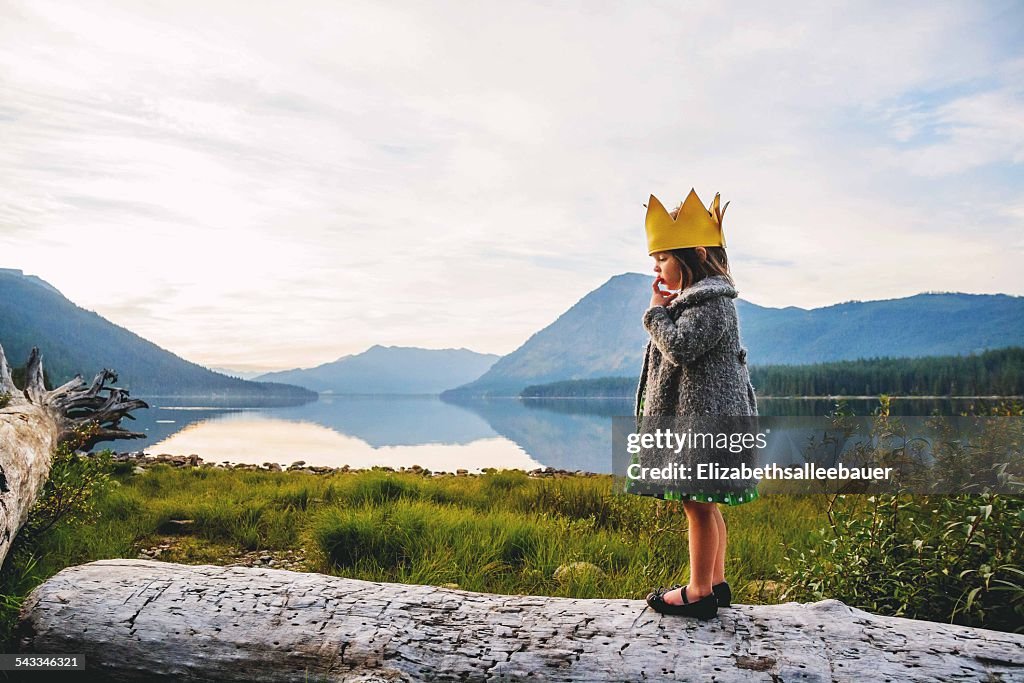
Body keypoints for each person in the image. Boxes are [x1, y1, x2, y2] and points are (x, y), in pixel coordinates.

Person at [632, 187, 760, 620]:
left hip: (706, 424)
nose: (657, 268)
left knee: (698, 505)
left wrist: (655, 314)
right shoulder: (701, 301)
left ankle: (699, 591)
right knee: (706, 503)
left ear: (696, 253)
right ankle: (717, 584)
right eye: (655, 261)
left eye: (663, 259)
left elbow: (680, 348)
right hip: (705, 419)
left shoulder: (711, 303)